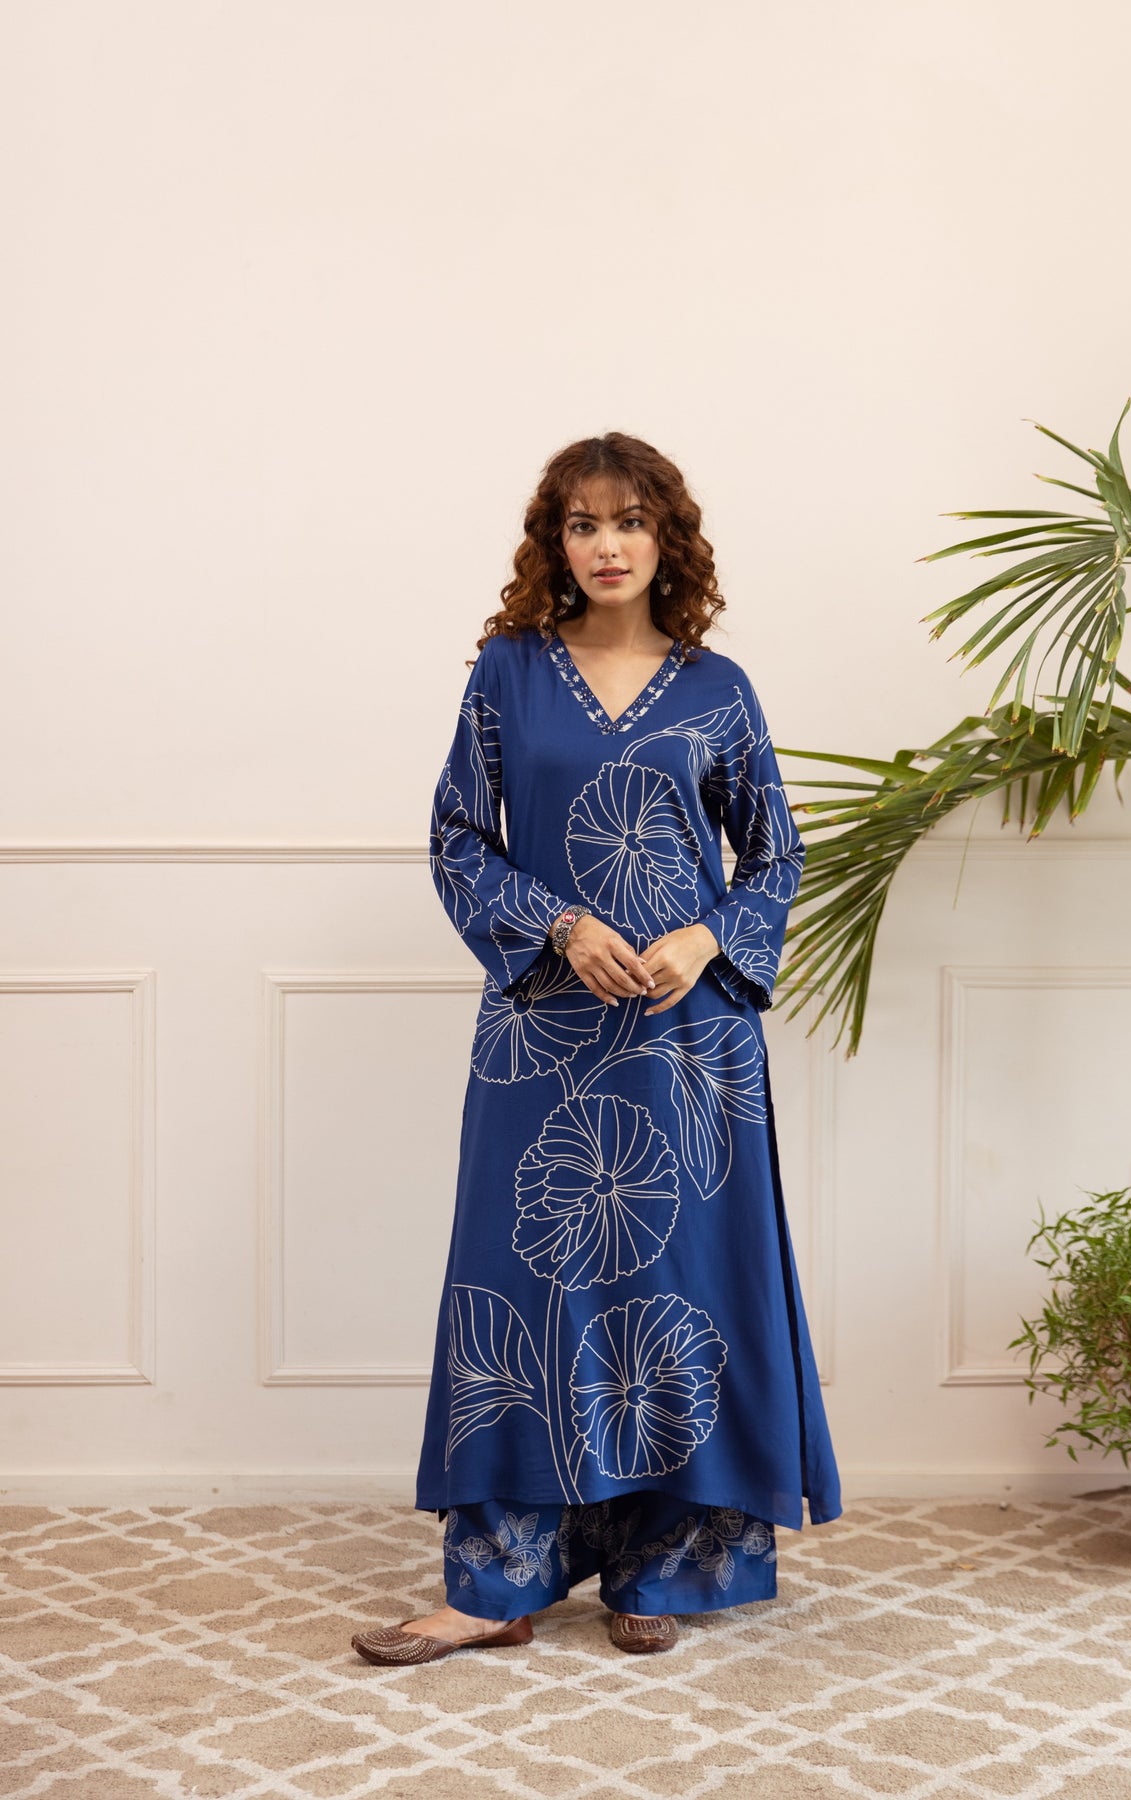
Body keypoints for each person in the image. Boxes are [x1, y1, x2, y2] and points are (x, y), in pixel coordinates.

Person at [351, 431, 842, 1667]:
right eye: (583, 523)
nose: (608, 544)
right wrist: (559, 926)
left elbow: (775, 855)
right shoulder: (508, 673)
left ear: (667, 539)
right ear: (555, 543)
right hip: (542, 1030)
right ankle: (497, 1584)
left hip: (688, 1040)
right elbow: (458, 836)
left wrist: (706, 936)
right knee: (520, 1285)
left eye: (630, 521)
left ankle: (659, 1572)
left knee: (680, 1287)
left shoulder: (720, 689)